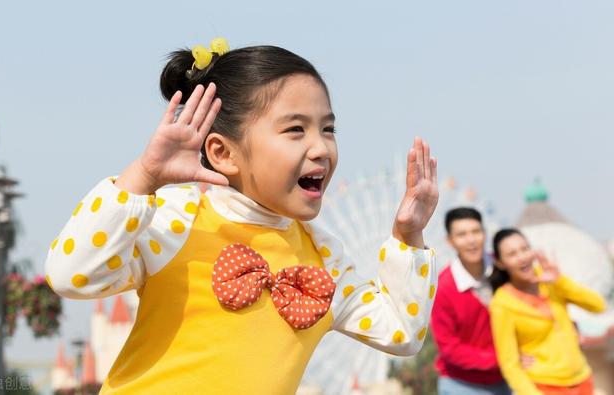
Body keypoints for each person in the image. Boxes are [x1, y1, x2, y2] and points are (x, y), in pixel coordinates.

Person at [44, 39, 440, 394]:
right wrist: (144, 176)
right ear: (223, 154)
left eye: (329, 128)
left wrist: (408, 236)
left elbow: (400, 331)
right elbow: (71, 275)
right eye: (296, 130)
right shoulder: (178, 220)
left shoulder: (324, 260)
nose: (321, 148)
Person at [489, 228, 606, 395]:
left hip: (583, 381)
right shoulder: (502, 303)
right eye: (512, 254)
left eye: (525, 249)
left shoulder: (550, 279)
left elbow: (598, 305)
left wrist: (559, 281)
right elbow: (509, 364)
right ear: (500, 263)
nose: (522, 257)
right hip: (544, 386)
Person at [431, 207, 511, 395]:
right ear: (450, 241)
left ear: (484, 233)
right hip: (462, 384)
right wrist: (500, 359)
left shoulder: (505, 268)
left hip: (507, 378)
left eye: (476, 232)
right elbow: (449, 348)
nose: (471, 240)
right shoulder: (444, 288)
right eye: (462, 234)